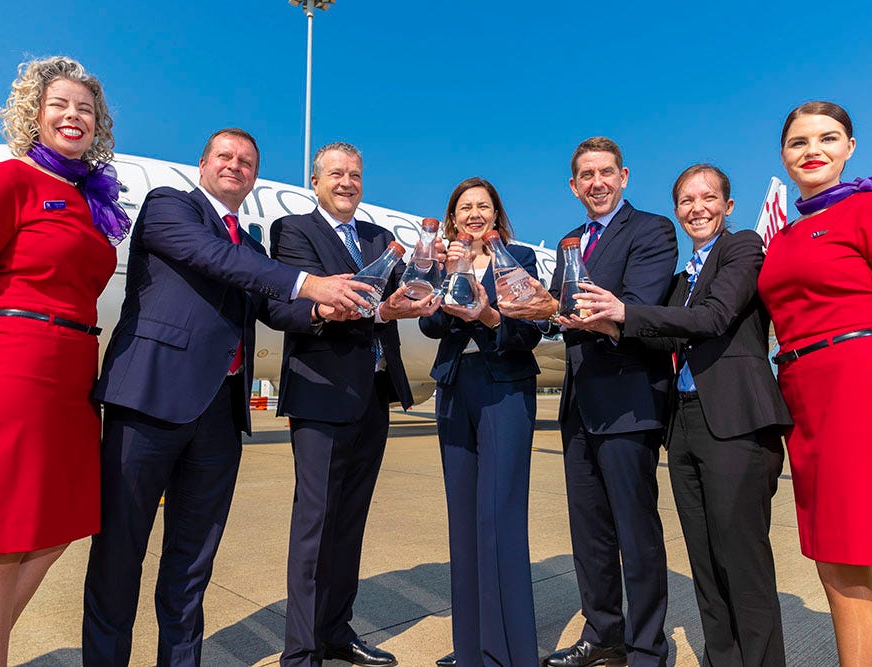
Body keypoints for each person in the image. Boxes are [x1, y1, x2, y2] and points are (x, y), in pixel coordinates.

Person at [83, 128, 368, 666]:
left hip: (219, 412)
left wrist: (322, 309)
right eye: (225, 156)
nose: (235, 166)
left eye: (247, 162)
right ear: (203, 164)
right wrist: (308, 283)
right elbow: (214, 257)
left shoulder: (252, 248)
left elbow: (274, 307)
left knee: (192, 564)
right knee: (119, 555)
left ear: (254, 176)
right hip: (149, 403)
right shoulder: (170, 207)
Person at [0, 56, 129, 664]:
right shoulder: (6, 179)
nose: (74, 116)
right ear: (33, 114)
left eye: (85, 109)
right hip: (17, 362)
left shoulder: (86, 198)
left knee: (60, 525)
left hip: (74, 372)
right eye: (59, 105)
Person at [578, 164, 793, 666]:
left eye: (708, 198)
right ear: (676, 211)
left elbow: (713, 318)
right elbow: (667, 337)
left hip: (736, 422)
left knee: (742, 563)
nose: (697, 208)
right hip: (686, 424)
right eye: (686, 201)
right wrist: (608, 327)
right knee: (705, 564)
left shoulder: (742, 250)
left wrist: (626, 312)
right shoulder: (680, 282)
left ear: (728, 206)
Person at [757, 101, 872, 665]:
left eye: (828, 138)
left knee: (846, 567)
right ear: (783, 156)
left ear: (850, 148)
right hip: (804, 395)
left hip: (862, 387)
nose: (813, 150)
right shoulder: (783, 235)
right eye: (799, 142)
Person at [500, 136, 678, 667]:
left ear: (624, 177)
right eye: (586, 176)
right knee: (590, 531)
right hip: (579, 405)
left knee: (636, 533)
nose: (597, 183)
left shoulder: (652, 230)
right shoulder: (572, 242)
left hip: (627, 402)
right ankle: (604, 636)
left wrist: (575, 311)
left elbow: (639, 307)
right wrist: (535, 310)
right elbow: (560, 315)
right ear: (573, 186)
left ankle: (647, 647)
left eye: (606, 172)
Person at [269, 142, 442, 667]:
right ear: (315, 181)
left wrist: (430, 270)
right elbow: (301, 304)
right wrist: (380, 309)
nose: (347, 183)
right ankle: (302, 651)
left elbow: (409, 293)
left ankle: (336, 632)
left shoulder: (377, 237)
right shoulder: (294, 231)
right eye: (336, 174)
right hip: (321, 394)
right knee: (315, 525)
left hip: (372, 395)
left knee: (350, 523)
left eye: (355, 175)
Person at [420, 177, 542, 667]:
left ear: (496, 214)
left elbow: (530, 331)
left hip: (504, 388)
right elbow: (430, 324)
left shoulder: (518, 259)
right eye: (465, 207)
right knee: (464, 522)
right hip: (455, 388)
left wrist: (489, 317)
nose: (474, 214)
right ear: (453, 217)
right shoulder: (441, 260)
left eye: (483, 206)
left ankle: (509, 653)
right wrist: (446, 278)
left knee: (500, 517)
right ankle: (471, 649)